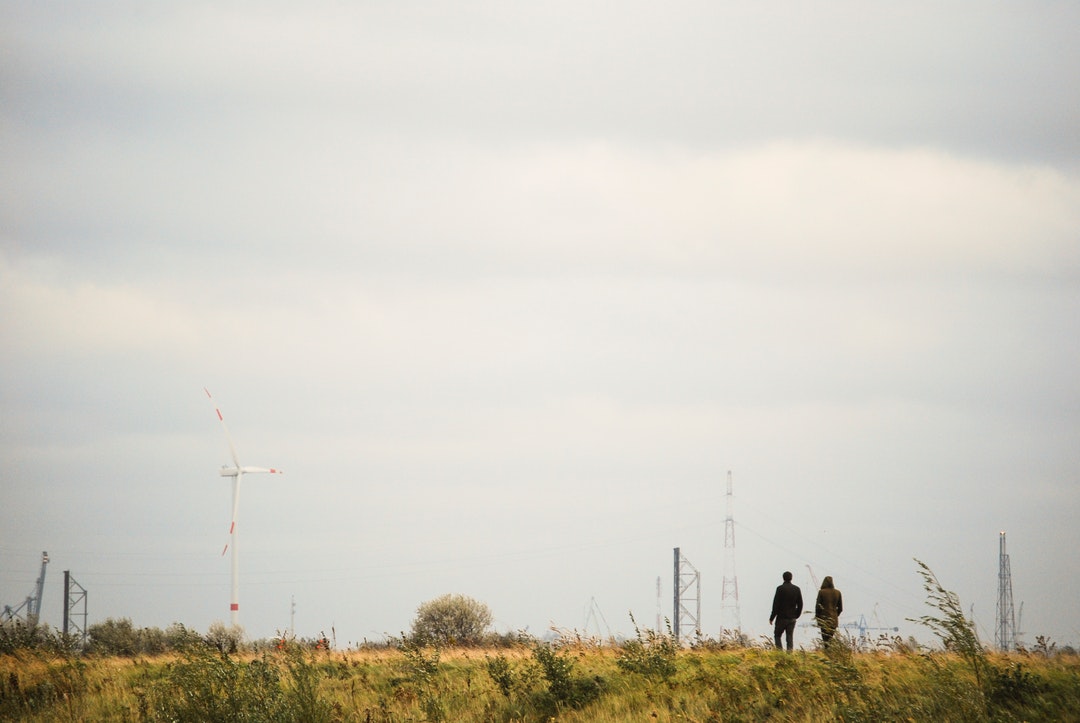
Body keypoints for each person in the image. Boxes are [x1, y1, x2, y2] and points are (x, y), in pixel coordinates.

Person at [769, 571, 803, 651]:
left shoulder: (780, 589)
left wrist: (772, 618)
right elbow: (800, 604)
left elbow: (776, 605)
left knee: (777, 635)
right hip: (792, 618)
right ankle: (789, 654)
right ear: (791, 578)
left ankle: (780, 652)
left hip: (781, 617)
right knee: (789, 636)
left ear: (783, 578)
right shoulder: (797, 589)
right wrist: (797, 615)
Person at [815, 575, 843, 647]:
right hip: (834, 619)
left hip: (824, 619)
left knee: (825, 640)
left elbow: (818, 607)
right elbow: (840, 608)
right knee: (830, 638)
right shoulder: (838, 592)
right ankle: (830, 653)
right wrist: (836, 615)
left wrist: (818, 618)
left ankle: (827, 652)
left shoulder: (821, 592)